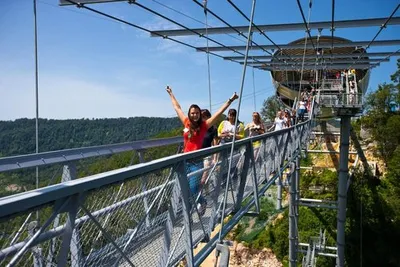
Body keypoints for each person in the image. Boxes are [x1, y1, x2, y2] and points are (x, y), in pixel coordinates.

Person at [166, 86, 238, 212]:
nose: (194, 115)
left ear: (200, 114)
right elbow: (177, 108)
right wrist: (171, 94)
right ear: (190, 114)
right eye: (192, 113)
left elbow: (218, 113)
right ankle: (191, 211)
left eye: (197, 113)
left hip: (196, 162)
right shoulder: (186, 122)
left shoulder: (204, 125)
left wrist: (230, 100)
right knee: (185, 189)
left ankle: (202, 202)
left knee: (193, 189)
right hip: (184, 161)